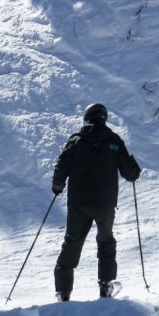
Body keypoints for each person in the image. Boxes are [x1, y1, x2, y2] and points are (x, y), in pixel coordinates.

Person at [52, 103, 141, 301]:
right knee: (105, 241)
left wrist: (58, 186)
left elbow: (62, 165)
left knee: (72, 243)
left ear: (87, 119)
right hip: (105, 204)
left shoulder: (76, 140)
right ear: (104, 119)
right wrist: (134, 168)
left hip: (78, 203)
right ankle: (105, 286)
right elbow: (130, 174)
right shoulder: (114, 140)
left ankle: (63, 292)